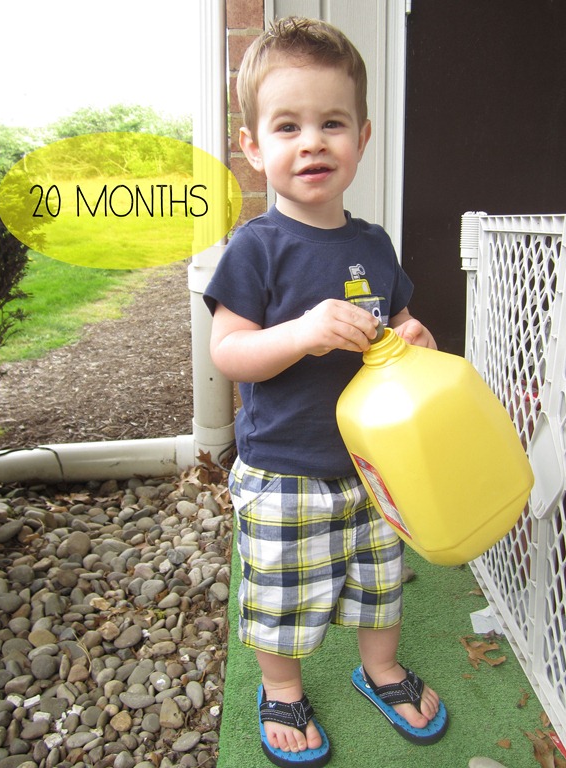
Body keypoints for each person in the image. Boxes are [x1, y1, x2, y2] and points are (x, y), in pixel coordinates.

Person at [204, 16, 448, 768]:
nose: (311, 142)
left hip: (373, 464)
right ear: (253, 147)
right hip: (285, 467)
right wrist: (303, 333)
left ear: (361, 138)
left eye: (331, 123)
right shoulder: (256, 247)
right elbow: (230, 353)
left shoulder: (373, 244)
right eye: (287, 126)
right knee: (283, 593)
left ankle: (381, 669)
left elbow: (401, 323)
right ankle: (281, 688)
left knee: (379, 584)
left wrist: (414, 337)